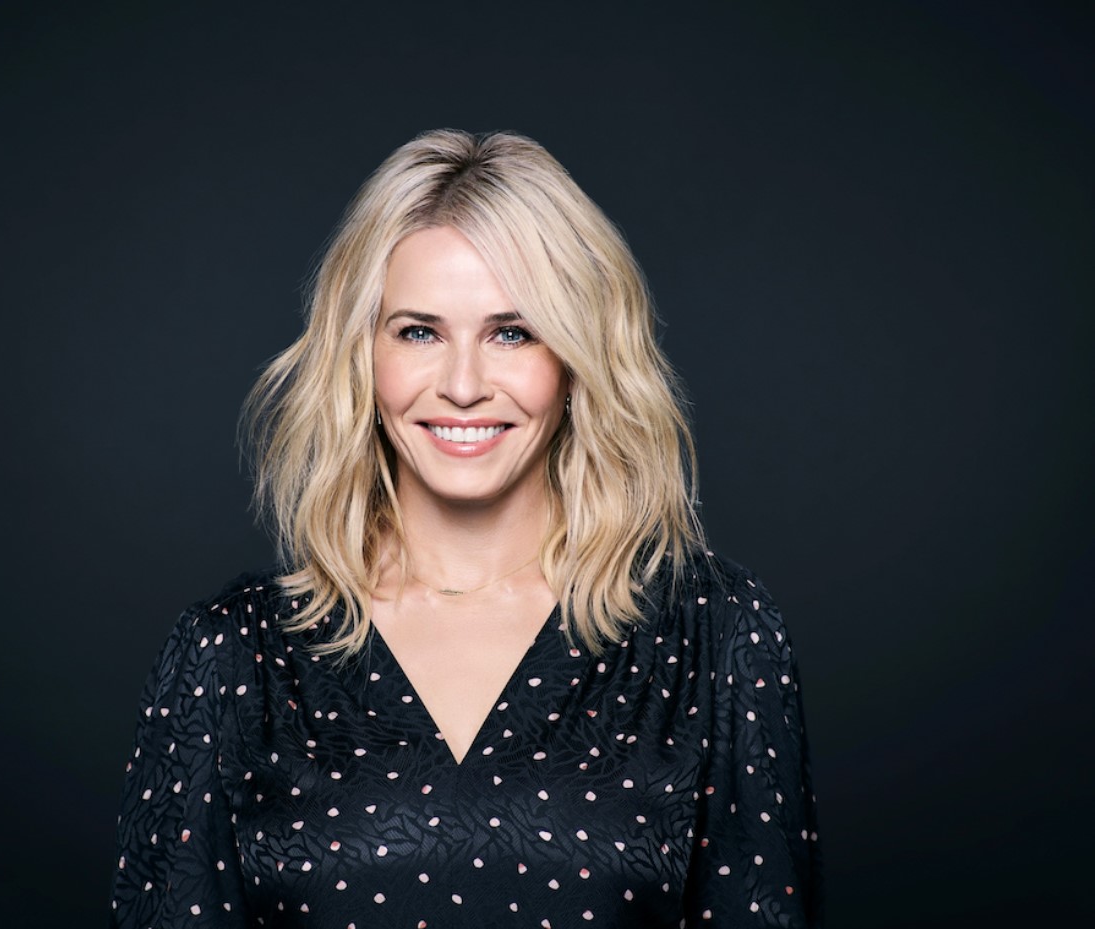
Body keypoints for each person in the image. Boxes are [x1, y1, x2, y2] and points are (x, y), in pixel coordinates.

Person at [109, 129, 822, 928]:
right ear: (361, 354)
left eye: (511, 332)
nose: (461, 384)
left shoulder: (715, 637)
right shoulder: (229, 656)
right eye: (418, 331)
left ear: (575, 357)